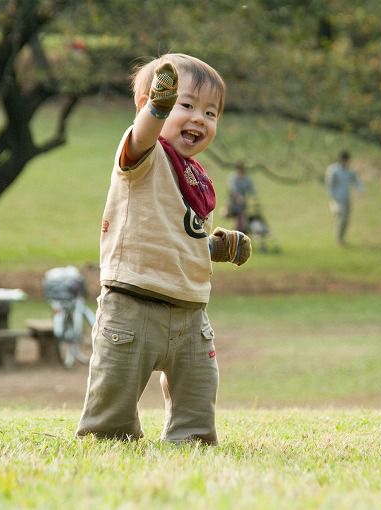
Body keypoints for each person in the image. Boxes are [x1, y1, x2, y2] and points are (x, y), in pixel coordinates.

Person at [76, 54, 251, 446]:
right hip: (132, 306)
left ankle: (189, 441)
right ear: (147, 106)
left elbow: (177, 235)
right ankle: (108, 437)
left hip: (190, 311)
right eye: (184, 105)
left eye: (210, 112)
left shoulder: (194, 176)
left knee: (198, 408)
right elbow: (144, 132)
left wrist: (214, 247)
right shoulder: (143, 155)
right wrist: (158, 107)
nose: (199, 119)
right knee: (110, 419)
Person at [325, 150, 363, 245]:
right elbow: (330, 185)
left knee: (346, 219)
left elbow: (355, 180)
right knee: (342, 218)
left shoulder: (349, 171)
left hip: (346, 198)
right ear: (342, 159)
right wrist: (332, 199)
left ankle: (341, 238)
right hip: (337, 198)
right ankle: (339, 239)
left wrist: (361, 189)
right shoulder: (333, 170)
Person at [227, 162, 257, 233]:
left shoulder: (247, 178)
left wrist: (253, 199)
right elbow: (233, 190)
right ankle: (235, 234)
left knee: (242, 220)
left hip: (243, 203)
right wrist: (239, 197)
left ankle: (240, 232)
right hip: (234, 202)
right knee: (239, 220)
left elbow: (252, 190)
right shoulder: (233, 177)